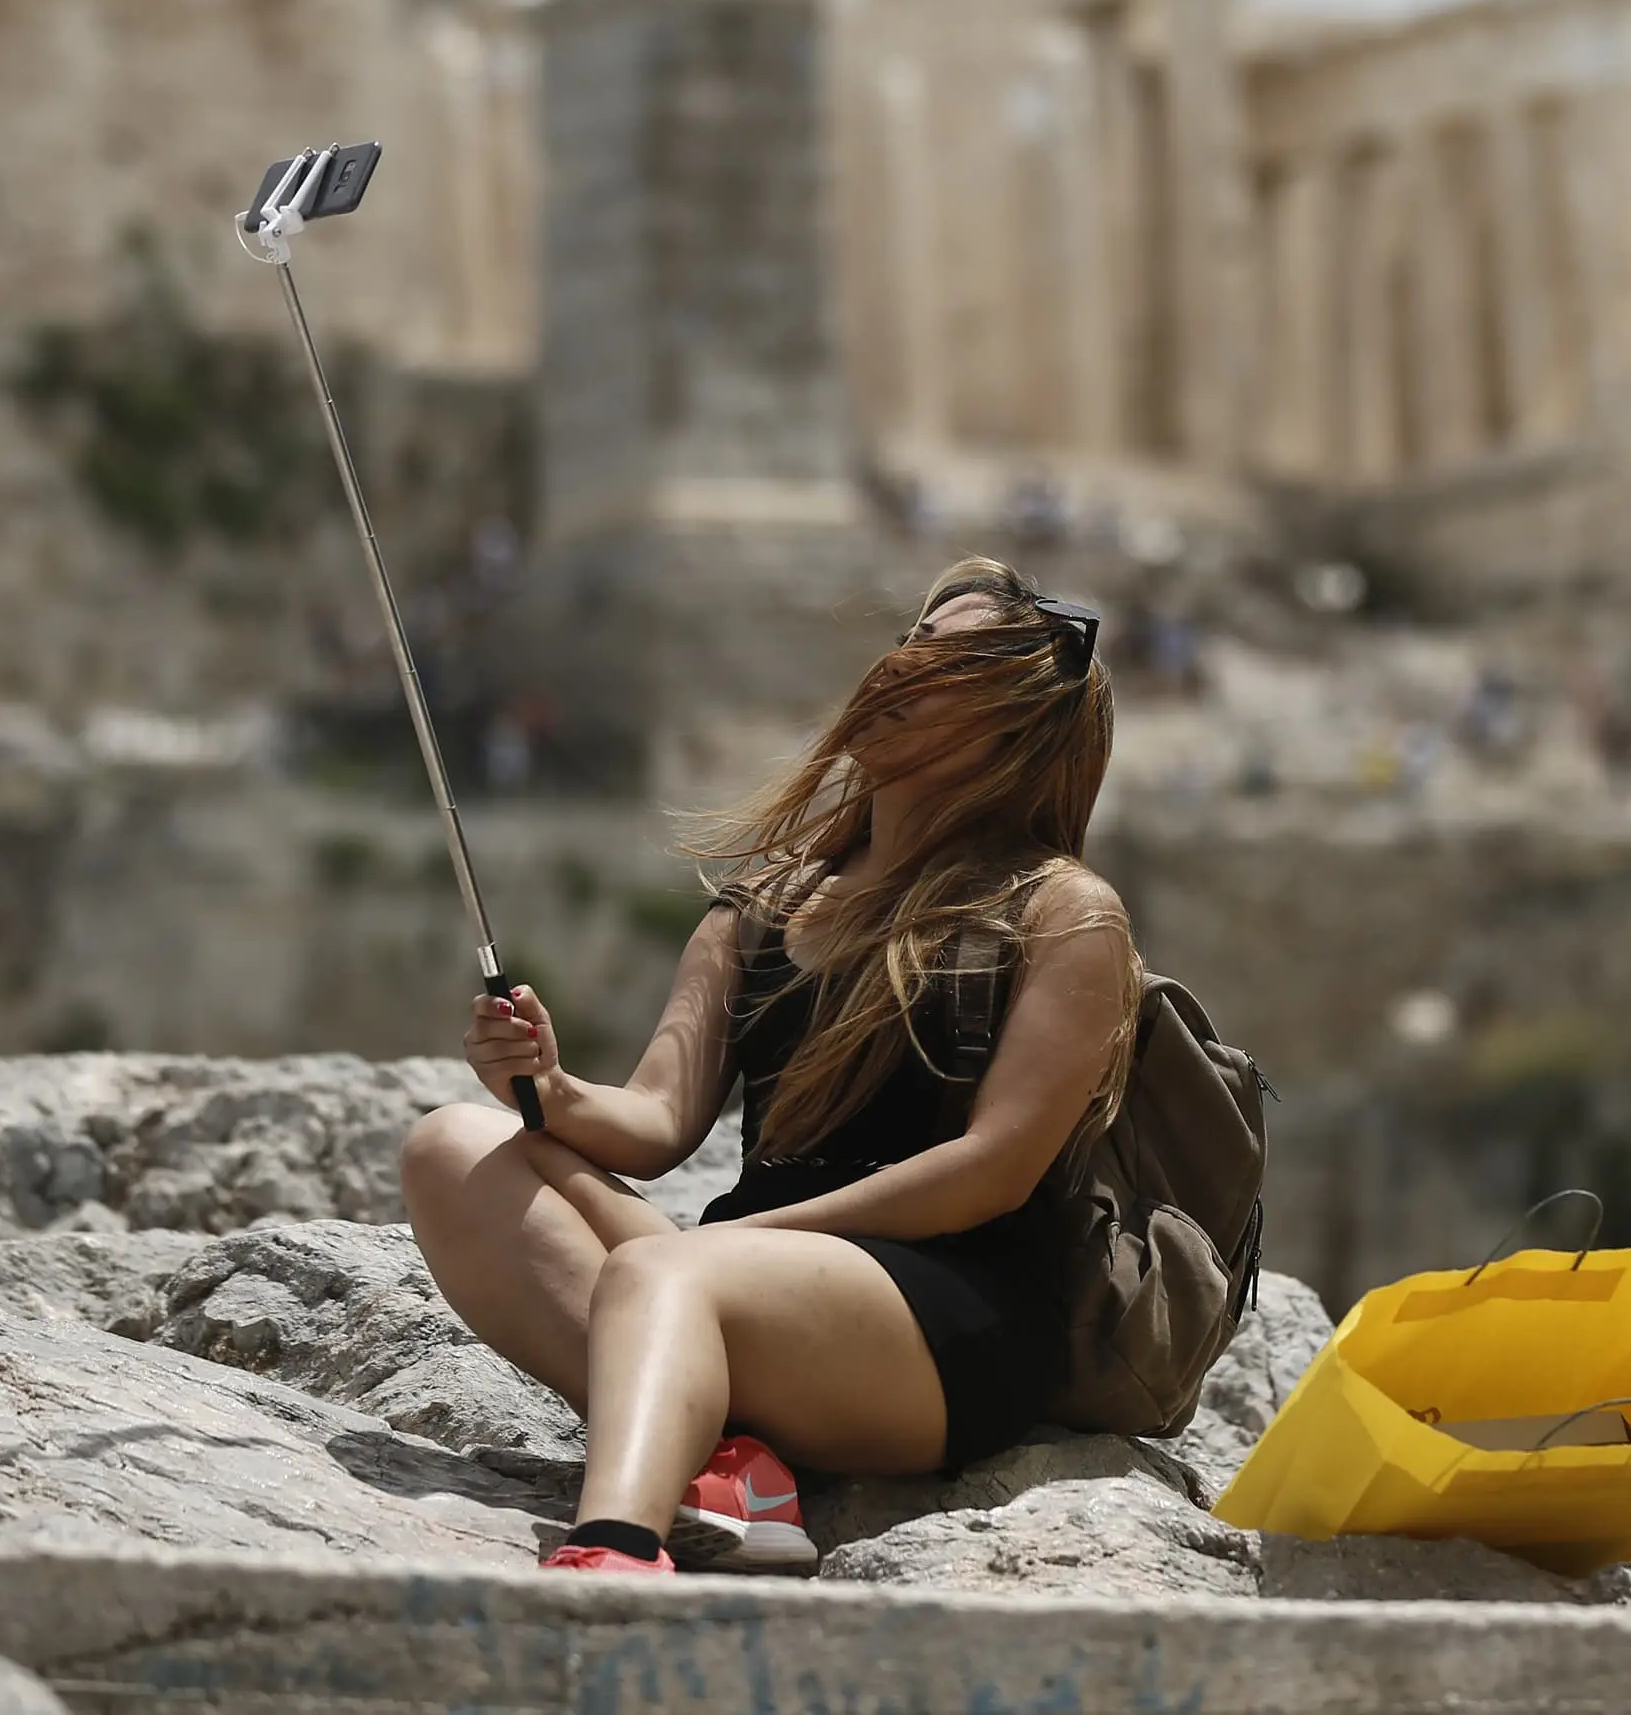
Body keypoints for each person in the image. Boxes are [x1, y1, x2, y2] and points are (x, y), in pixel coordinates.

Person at [398, 559, 1141, 1577]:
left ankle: (614, 1554)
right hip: (744, 1277)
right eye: (912, 641)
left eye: (945, 660)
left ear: (1015, 717)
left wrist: (730, 1245)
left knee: (661, 1265)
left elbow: (993, 1170)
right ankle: (731, 1461)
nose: (900, 666)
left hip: (949, 1319)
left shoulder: (1064, 914)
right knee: (452, 1148)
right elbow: (658, 1120)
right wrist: (552, 1088)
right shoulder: (768, 907)